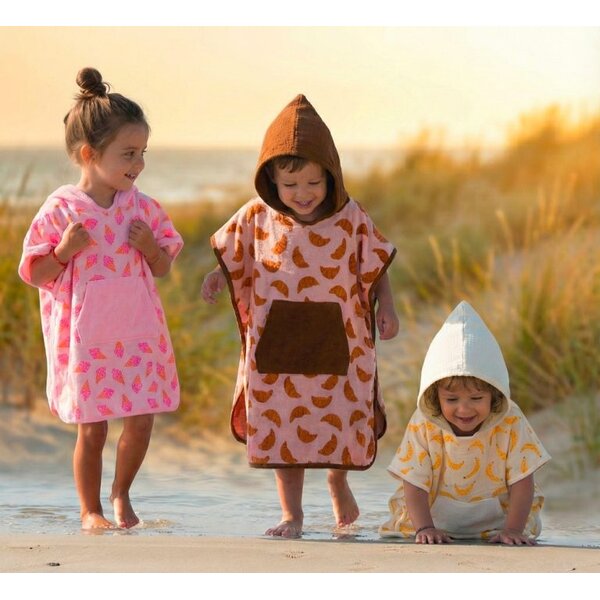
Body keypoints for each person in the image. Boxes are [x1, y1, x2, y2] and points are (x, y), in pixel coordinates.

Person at [201, 94, 399, 537]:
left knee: (341, 412)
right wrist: (217, 276)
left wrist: (387, 306)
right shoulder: (256, 215)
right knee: (282, 424)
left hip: (340, 336)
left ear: (331, 176)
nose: (303, 194)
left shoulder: (350, 217)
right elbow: (234, 256)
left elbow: (376, 264)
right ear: (271, 179)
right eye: (290, 185)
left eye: (313, 182)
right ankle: (291, 513)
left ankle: (337, 480)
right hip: (278, 341)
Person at [18, 67, 183, 530]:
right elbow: (35, 273)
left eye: (143, 152)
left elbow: (163, 266)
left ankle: (121, 493)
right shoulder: (62, 209)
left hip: (138, 335)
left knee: (142, 421)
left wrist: (150, 248)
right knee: (93, 428)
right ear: (90, 154)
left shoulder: (142, 206)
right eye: (129, 153)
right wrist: (63, 251)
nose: (139, 164)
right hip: (89, 340)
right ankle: (90, 509)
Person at [379, 301, 551, 545]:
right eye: (451, 399)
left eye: (476, 398)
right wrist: (425, 528)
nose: (464, 409)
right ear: (435, 395)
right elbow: (413, 480)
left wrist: (513, 529)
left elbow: (522, 481)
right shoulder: (424, 423)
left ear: (494, 393)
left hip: (499, 525)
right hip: (432, 521)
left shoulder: (511, 420)